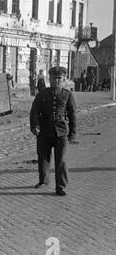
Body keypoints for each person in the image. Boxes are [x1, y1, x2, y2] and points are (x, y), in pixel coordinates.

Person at [30, 67, 78, 197]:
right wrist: (35, 126)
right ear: (49, 79)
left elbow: (73, 115)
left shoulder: (67, 95)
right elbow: (34, 111)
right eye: (53, 79)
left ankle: (61, 187)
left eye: (59, 79)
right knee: (43, 158)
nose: (56, 81)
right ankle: (43, 180)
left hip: (61, 132)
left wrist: (72, 134)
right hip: (44, 131)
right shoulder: (42, 94)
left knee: (61, 160)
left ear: (63, 80)